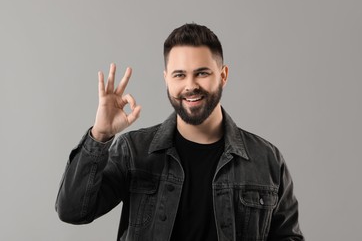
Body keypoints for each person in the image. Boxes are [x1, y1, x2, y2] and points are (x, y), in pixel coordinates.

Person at [56, 23, 304, 241]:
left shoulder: (267, 160)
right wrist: (100, 135)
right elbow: (73, 211)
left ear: (223, 75)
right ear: (167, 80)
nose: (190, 85)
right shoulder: (134, 151)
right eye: (179, 75)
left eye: (202, 73)